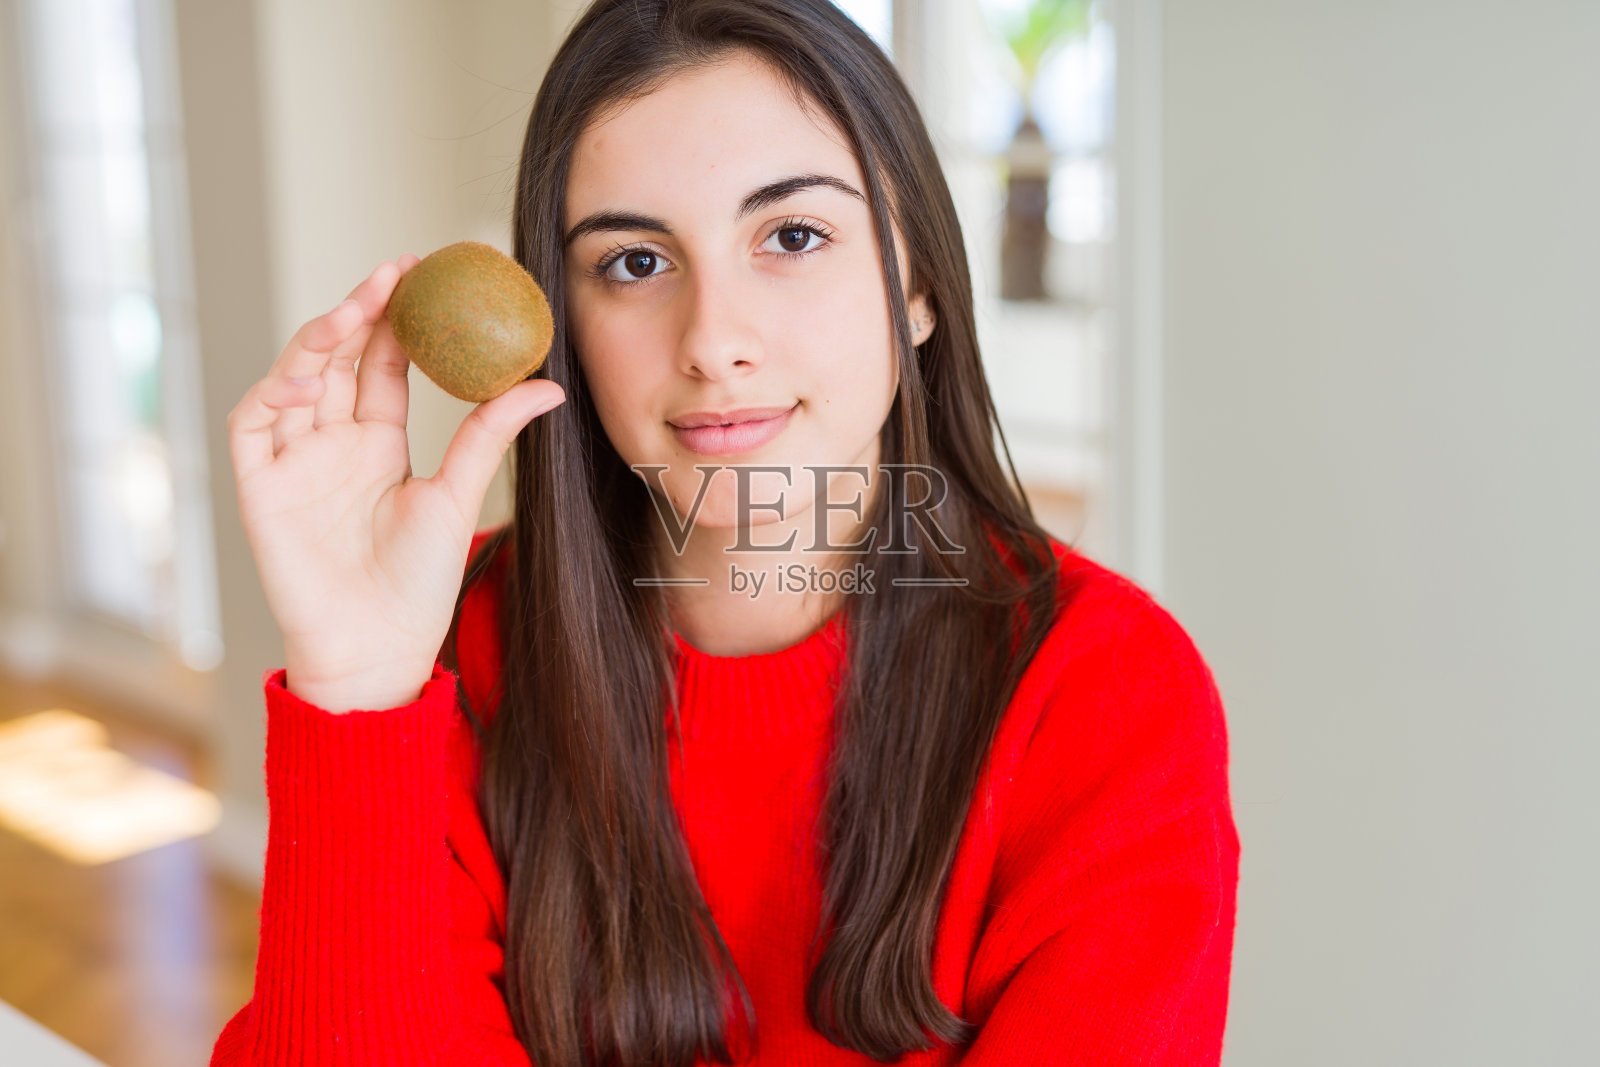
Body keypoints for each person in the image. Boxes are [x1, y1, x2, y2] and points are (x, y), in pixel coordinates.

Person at [214, 1, 1240, 1065]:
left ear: (920, 283)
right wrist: (358, 686)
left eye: (792, 236)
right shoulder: (444, 654)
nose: (712, 341)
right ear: (561, 323)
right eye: (634, 263)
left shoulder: (1108, 693)